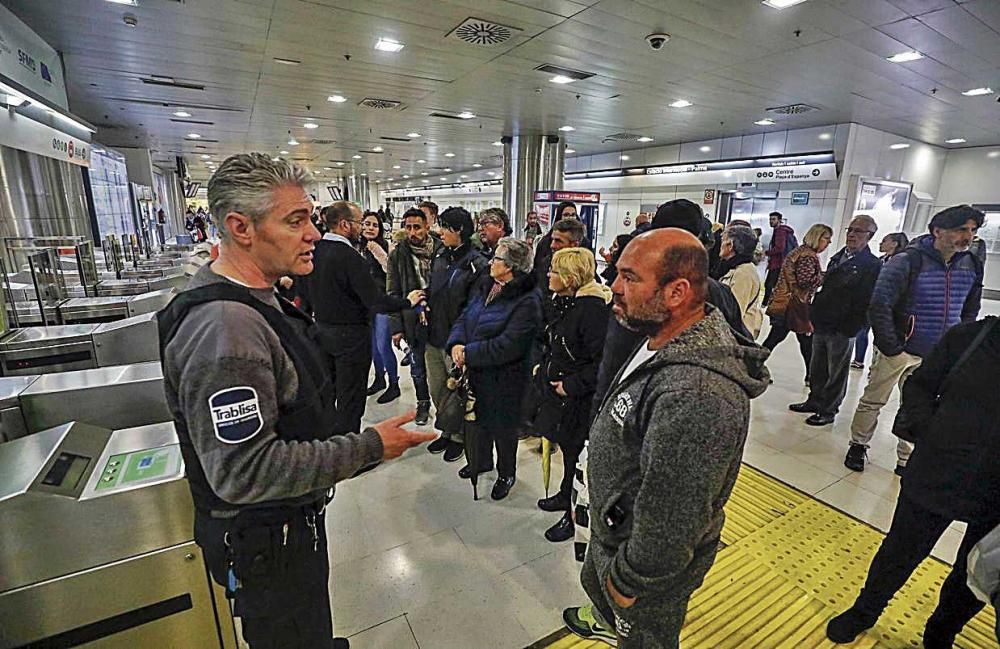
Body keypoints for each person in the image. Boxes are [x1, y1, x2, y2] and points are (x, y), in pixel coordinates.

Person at [158, 153, 434, 649]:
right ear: (240, 227)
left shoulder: (256, 298)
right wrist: (370, 446)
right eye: (296, 220)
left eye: (310, 217)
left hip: (288, 530)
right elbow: (244, 471)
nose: (313, 233)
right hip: (265, 544)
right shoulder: (225, 329)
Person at [570, 228, 769, 649]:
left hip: (644, 570)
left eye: (629, 278)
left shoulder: (695, 392)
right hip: (620, 535)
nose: (614, 289)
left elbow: (676, 511)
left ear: (676, 291)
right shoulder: (661, 336)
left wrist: (630, 580)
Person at [827, 316, 1000, 647]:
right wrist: (929, 431)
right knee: (900, 551)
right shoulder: (971, 337)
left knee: (974, 572)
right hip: (937, 471)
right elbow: (920, 385)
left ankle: (942, 630)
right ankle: (865, 611)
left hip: (996, 494)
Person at [844, 205, 985, 474]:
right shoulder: (908, 260)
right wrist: (892, 347)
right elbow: (880, 304)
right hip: (900, 349)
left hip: (937, 353)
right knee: (874, 399)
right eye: (961, 230)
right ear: (937, 231)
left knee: (919, 405)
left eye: (972, 230)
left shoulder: (971, 264)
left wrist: (959, 344)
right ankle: (858, 444)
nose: (967, 236)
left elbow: (970, 309)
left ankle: (906, 458)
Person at [591, 199, 751, 416]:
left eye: (629, 277)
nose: (617, 288)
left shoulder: (699, 390)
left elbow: (612, 364)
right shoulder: (719, 292)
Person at [306, 201, 426, 435]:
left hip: (321, 331)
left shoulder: (314, 251)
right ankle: (349, 449)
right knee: (351, 396)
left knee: (329, 391)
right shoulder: (350, 258)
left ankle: (331, 440)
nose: (362, 228)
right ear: (344, 225)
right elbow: (375, 300)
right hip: (350, 336)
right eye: (359, 223)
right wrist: (407, 302)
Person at [447, 237, 542, 500]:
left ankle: (506, 473)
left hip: (506, 379)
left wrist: (469, 353)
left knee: (503, 428)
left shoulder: (527, 300)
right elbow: (466, 315)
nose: (491, 262)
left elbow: (508, 345)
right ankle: (482, 461)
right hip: (478, 371)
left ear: (510, 266)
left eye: (497, 259)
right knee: (479, 423)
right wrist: (456, 342)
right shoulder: (487, 284)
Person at [531, 247, 611, 542]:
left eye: (554, 270)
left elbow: (599, 362)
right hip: (561, 396)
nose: (548, 275)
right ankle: (565, 495)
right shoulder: (564, 301)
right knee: (567, 451)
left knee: (578, 458)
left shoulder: (591, 311)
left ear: (570, 277)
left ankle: (572, 516)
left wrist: (570, 385)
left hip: (578, 399)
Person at [790, 216, 881, 426]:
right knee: (817, 366)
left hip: (844, 325)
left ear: (870, 236)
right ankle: (814, 400)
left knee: (836, 371)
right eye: (851, 229)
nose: (852, 234)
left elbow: (867, 299)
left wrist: (855, 327)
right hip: (823, 320)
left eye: (859, 231)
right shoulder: (839, 257)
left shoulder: (871, 265)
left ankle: (828, 409)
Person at [424, 207, 488, 463]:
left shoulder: (477, 263)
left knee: (458, 391)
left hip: (457, 340)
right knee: (437, 388)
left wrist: (463, 341)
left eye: (444, 227)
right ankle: (446, 429)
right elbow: (434, 287)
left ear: (459, 230)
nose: (440, 232)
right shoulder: (440, 255)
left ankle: (459, 437)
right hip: (433, 334)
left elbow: (475, 307)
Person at [388, 208, 443, 425]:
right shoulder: (398, 255)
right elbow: (392, 292)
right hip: (413, 320)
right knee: (417, 365)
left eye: (417, 227)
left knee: (442, 368)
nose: (412, 232)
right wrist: (396, 327)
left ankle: (446, 411)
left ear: (427, 226)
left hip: (440, 318)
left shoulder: (441, 249)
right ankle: (422, 403)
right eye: (408, 227)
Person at [762, 223, 832, 381]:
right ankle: (811, 376)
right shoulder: (807, 255)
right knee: (799, 340)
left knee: (792, 340)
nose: (828, 243)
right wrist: (825, 277)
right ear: (817, 237)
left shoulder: (800, 252)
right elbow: (804, 282)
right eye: (827, 239)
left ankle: (810, 375)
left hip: (787, 303)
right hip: (793, 305)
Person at [852, 232, 909, 369]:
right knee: (863, 332)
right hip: (871, 303)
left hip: (889, 308)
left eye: (884, 241)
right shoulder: (880, 261)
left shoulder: (902, 264)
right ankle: (861, 360)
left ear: (894, 244)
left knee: (881, 337)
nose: (880, 243)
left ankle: (877, 365)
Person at [360, 211, 400, 404]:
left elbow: (390, 270)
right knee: (374, 347)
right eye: (366, 224)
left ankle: (394, 384)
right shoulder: (358, 247)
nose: (370, 228)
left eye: (374, 225)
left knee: (383, 346)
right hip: (366, 304)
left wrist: (377, 252)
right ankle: (379, 379)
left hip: (383, 302)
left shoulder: (383, 247)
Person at [717, 225, 764, 339]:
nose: (720, 245)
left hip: (735, 338)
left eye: (723, 240)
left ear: (730, 245)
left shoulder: (743, 274)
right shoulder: (736, 268)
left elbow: (734, 313)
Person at [533, 201, 593, 286]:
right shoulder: (545, 242)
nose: (570, 218)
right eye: (566, 215)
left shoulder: (584, 242)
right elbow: (537, 269)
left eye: (573, 215)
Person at [536, 218, 586, 288]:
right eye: (552, 240)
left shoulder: (585, 272)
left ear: (574, 245)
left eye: (558, 241)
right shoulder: (545, 264)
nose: (552, 245)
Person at [763, 211, 796, 305]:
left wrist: (766, 253)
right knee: (773, 285)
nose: (771, 221)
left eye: (773, 219)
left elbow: (779, 248)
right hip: (780, 263)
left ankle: (766, 304)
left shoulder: (780, 231)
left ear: (780, 220)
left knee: (769, 285)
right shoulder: (782, 231)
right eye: (770, 219)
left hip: (777, 263)